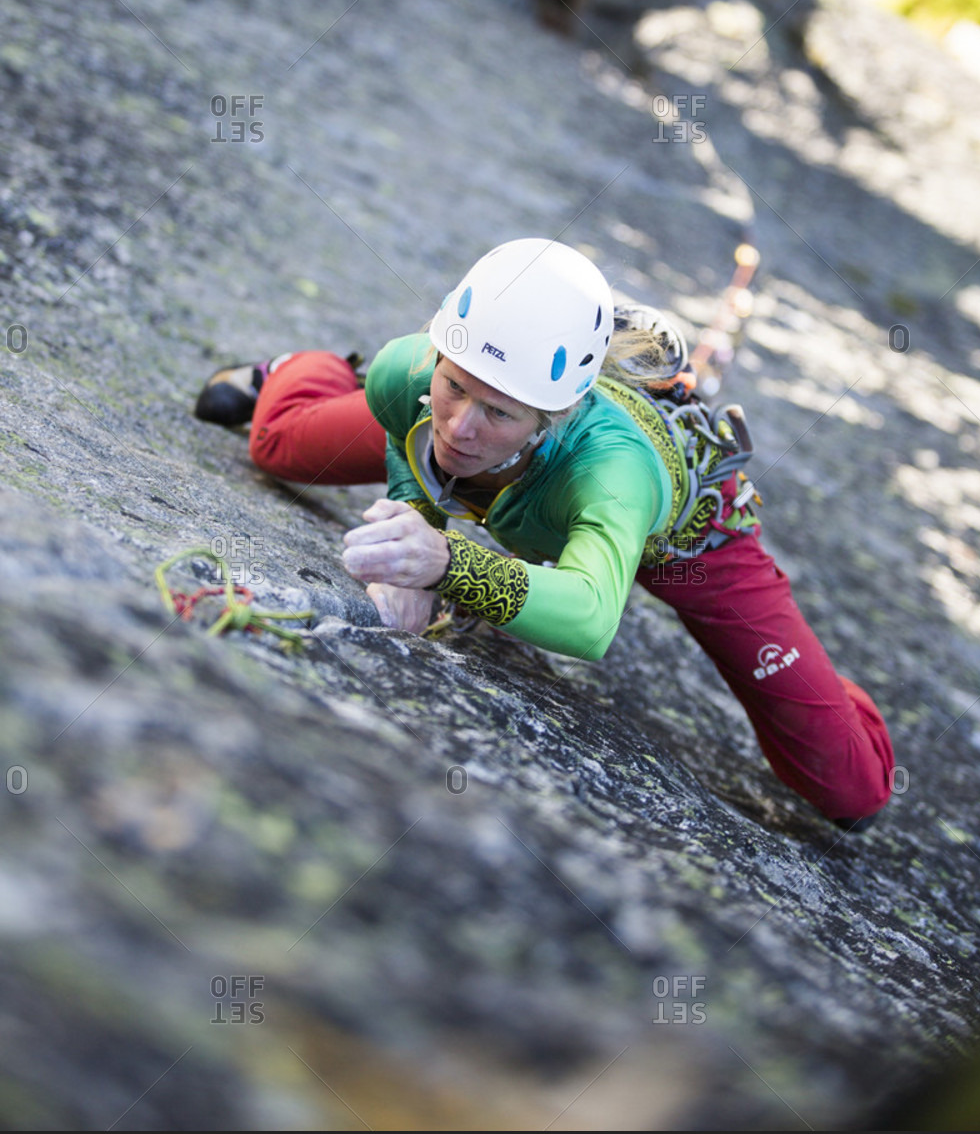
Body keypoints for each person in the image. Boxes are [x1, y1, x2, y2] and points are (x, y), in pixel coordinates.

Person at [194, 238, 895, 831]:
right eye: (456, 386)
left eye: (499, 412)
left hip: (685, 535)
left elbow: (591, 619)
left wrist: (444, 563)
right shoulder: (407, 374)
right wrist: (417, 515)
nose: (462, 427)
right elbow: (416, 434)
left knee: (850, 790)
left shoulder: (612, 474)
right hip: (521, 456)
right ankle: (300, 369)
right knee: (278, 445)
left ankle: (825, 689)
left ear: (551, 416)